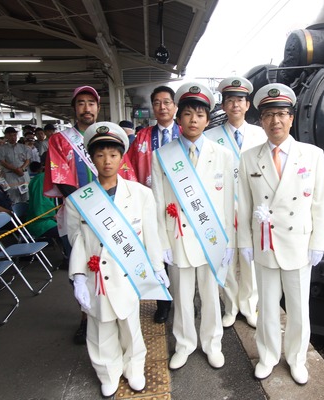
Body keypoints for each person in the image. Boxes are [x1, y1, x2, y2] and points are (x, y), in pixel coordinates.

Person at [65, 122, 169, 397]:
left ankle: (134, 368)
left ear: (122, 157)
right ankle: (107, 372)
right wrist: (77, 277)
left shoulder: (141, 195)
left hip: (128, 273)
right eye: (100, 155)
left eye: (112, 154)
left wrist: (157, 268)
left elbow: (151, 235)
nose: (107, 161)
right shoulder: (77, 201)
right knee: (101, 328)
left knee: (130, 324)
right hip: (96, 277)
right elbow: (77, 241)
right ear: (92, 158)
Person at [237, 83, 324, 385]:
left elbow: (319, 203)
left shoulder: (313, 155)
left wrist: (319, 242)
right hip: (265, 246)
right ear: (260, 120)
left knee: (299, 309)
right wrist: (244, 244)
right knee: (266, 307)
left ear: (291, 118)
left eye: (281, 114)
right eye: (268, 115)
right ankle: (267, 356)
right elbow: (245, 205)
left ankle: (296, 359)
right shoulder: (249, 157)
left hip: (299, 244)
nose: (275, 121)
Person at [43, 85, 137, 345]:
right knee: (83, 267)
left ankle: (116, 312)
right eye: (81, 103)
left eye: (91, 103)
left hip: (112, 215)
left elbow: (126, 175)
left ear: (98, 107)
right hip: (79, 216)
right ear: (74, 108)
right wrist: (88, 206)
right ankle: (86, 317)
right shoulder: (60, 141)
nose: (87, 108)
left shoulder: (110, 137)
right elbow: (61, 178)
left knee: (114, 265)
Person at [152, 82, 235, 370]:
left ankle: (212, 343)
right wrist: (162, 243)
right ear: (178, 118)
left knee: (211, 296)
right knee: (182, 297)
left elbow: (228, 203)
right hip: (178, 240)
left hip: (211, 238)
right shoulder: (163, 155)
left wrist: (229, 242)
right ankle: (184, 344)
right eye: (187, 114)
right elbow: (158, 203)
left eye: (200, 114)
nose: (194, 120)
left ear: (208, 119)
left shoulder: (221, 154)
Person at [204, 76, 267, 329]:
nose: (235, 106)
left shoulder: (260, 134)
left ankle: (249, 306)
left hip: (252, 207)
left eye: (239, 100)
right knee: (227, 260)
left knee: (250, 260)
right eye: (230, 100)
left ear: (247, 104)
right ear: (223, 105)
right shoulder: (210, 137)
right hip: (224, 208)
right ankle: (230, 307)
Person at [128, 85, 180, 324]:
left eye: (167, 102)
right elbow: (128, 169)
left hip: (183, 206)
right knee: (157, 256)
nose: (162, 107)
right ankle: (163, 304)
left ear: (175, 106)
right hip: (151, 206)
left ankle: (186, 301)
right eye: (157, 102)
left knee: (184, 257)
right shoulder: (142, 137)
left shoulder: (186, 132)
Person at [0, 126, 32, 203]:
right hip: (10, 175)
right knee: (13, 196)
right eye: (10, 135)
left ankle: (26, 213)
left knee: (26, 195)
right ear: (6, 136)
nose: (13, 137)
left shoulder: (24, 147)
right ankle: (16, 213)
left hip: (23, 174)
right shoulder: (1, 148)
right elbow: (2, 161)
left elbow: (28, 160)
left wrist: (21, 168)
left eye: (14, 135)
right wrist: (15, 169)